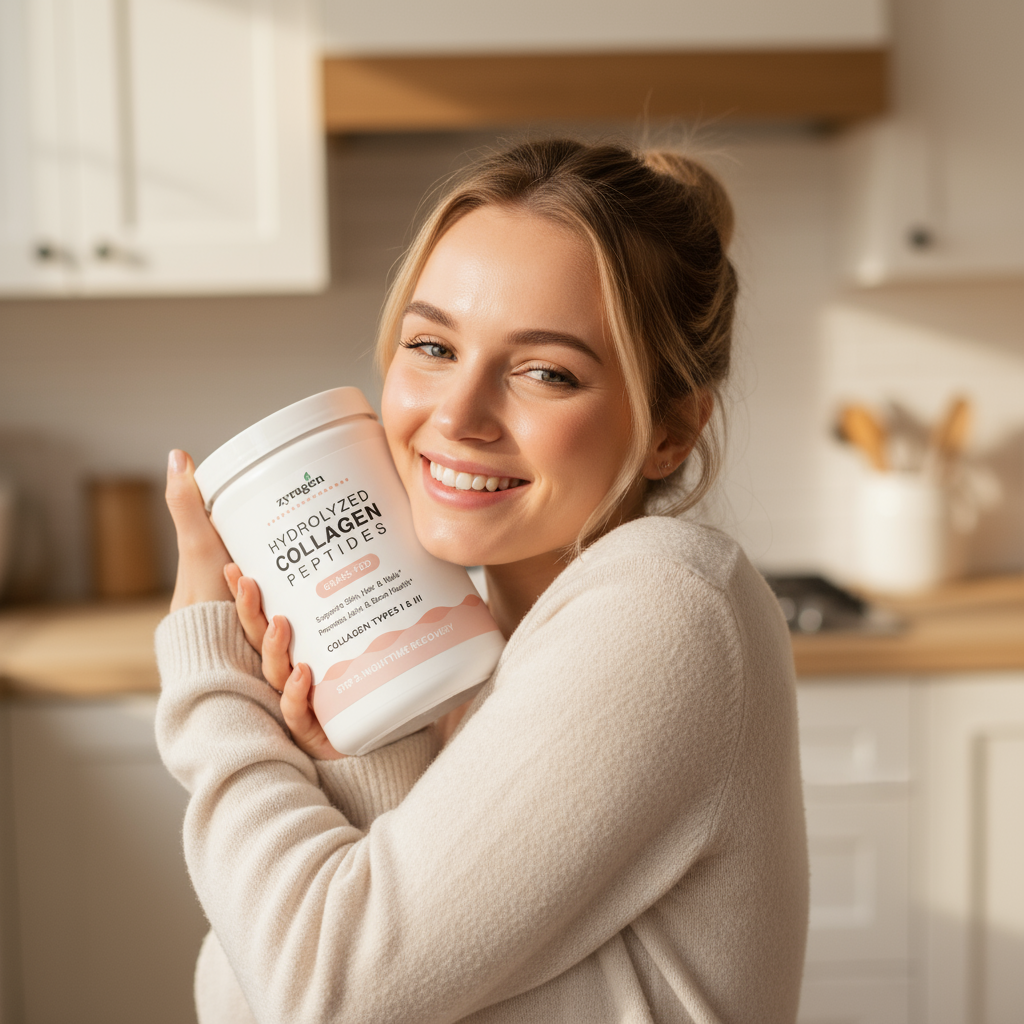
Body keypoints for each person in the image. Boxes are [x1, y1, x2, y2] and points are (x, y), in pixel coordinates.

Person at [156, 138, 808, 1024]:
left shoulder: (662, 602)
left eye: (546, 371)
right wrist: (364, 744)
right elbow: (255, 991)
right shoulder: (494, 660)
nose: (458, 416)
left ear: (670, 430)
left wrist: (211, 682)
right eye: (432, 346)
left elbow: (323, 992)